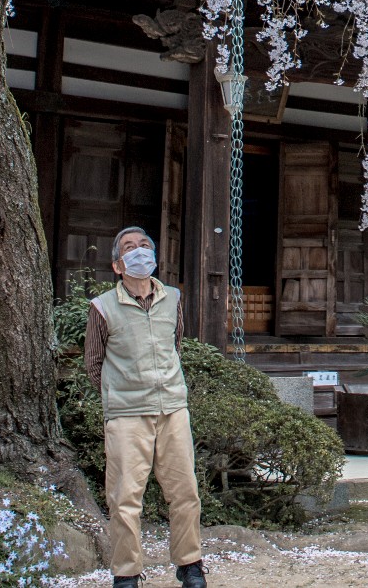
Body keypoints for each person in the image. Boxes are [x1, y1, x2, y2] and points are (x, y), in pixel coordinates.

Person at [83, 227, 208, 588]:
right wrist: (119, 393)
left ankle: (190, 565)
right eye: (129, 248)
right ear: (118, 265)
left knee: (185, 490)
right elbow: (94, 362)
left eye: (144, 246)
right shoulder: (103, 307)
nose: (138, 252)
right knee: (124, 497)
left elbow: (176, 346)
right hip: (126, 414)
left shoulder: (172, 298)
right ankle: (126, 572)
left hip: (172, 407)